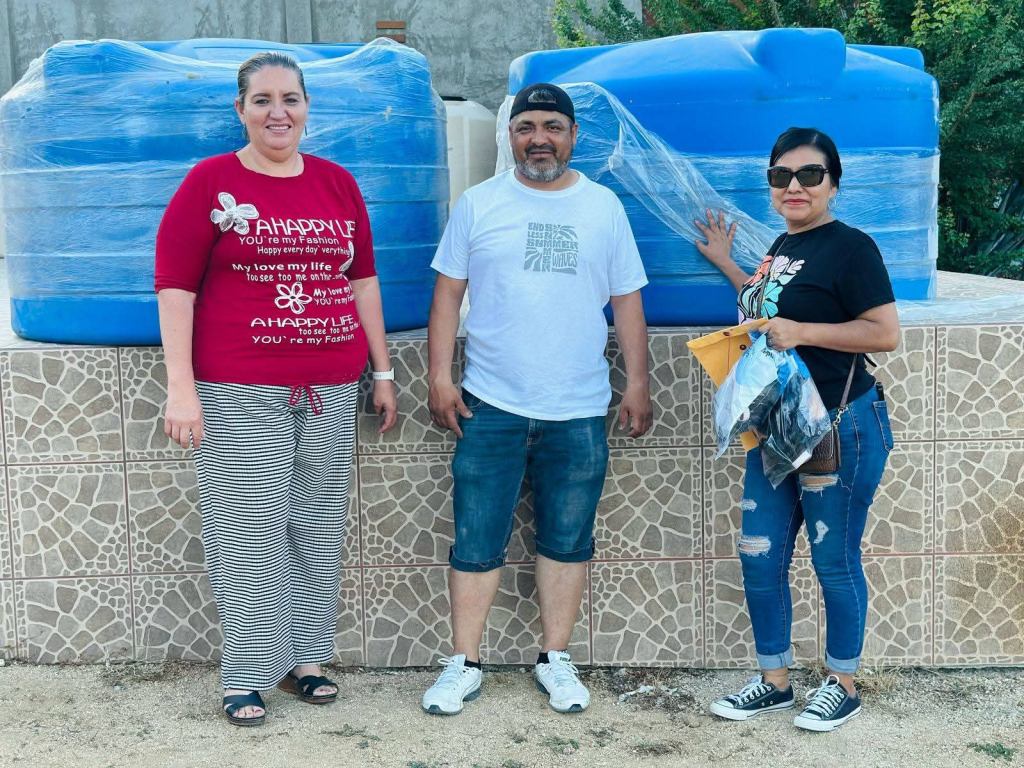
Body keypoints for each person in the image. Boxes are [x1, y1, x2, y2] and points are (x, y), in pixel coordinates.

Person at [154, 52, 397, 727]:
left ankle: (306, 658)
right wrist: (182, 389)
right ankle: (246, 673)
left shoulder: (336, 184)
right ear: (240, 110)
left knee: (314, 525)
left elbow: (363, 283)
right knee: (248, 529)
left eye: (289, 98)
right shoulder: (211, 182)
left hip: (328, 385)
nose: (277, 112)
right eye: (261, 100)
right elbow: (175, 288)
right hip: (239, 386)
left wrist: (381, 371)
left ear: (307, 107)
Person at [422, 83, 653, 716]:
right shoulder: (479, 204)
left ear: (572, 135)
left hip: (579, 407)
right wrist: (441, 375)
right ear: (510, 136)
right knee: (475, 539)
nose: (539, 138)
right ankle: (464, 663)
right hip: (491, 403)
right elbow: (446, 296)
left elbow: (627, 299)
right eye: (525, 127)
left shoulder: (603, 207)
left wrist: (637, 380)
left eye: (552, 126)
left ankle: (555, 658)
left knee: (567, 539)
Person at [695, 127, 899, 732]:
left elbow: (884, 333)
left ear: (833, 182)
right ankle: (775, 681)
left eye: (809, 175)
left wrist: (803, 333)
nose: (794, 186)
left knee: (832, 559)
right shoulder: (783, 245)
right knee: (759, 557)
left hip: (839, 427)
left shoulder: (851, 247)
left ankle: (842, 683)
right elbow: (770, 314)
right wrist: (729, 265)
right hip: (780, 426)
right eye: (781, 176)